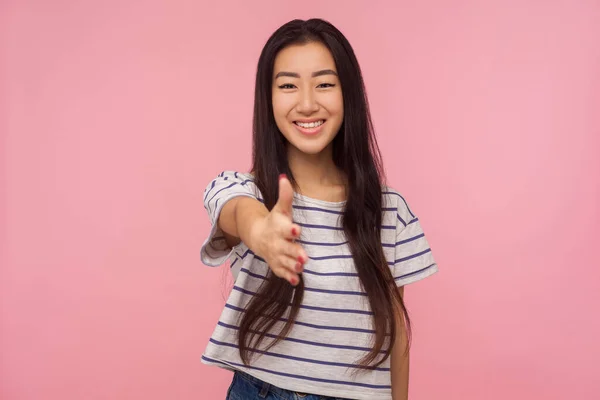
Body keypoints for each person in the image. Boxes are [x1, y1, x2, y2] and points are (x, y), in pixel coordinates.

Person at [200, 18, 438, 400]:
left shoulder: (389, 211)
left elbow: (395, 333)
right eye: (288, 85)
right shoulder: (249, 192)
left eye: (325, 83)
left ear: (349, 95)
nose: (307, 102)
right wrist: (259, 232)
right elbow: (234, 210)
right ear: (268, 98)